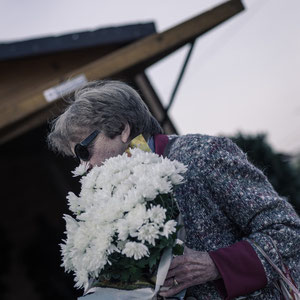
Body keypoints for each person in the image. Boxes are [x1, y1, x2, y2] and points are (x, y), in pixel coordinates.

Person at [47, 80, 300, 299]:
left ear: (122, 128)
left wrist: (215, 265)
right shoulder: (112, 198)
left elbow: (287, 231)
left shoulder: (202, 154)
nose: (85, 166)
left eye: (83, 151)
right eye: (77, 159)